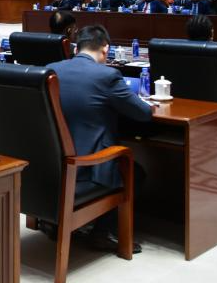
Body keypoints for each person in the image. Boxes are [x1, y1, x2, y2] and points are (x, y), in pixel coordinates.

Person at [47, 26, 152, 252]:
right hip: (88, 168)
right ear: (105, 49)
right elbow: (143, 113)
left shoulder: (51, 70)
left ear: (76, 48)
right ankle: (103, 232)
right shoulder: (107, 76)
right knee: (135, 171)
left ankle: (56, 224)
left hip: (52, 165)